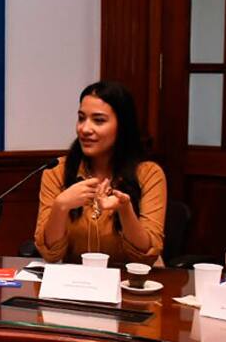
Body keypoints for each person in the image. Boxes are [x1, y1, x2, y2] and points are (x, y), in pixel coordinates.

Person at [34, 81, 166, 264]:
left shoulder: (149, 174)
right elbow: (50, 255)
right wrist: (61, 206)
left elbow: (147, 256)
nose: (84, 129)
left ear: (122, 126)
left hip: (128, 279)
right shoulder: (56, 171)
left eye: (99, 120)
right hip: (75, 280)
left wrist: (125, 210)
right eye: (81, 118)